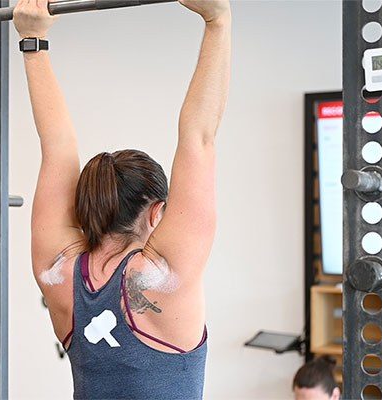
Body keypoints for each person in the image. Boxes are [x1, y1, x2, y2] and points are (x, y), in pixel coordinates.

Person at [13, 0, 231, 398]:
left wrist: (33, 39)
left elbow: (57, 148)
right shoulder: (164, 277)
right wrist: (218, 20)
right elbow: (198, 138)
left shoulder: (59, 272)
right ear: (157, 212)